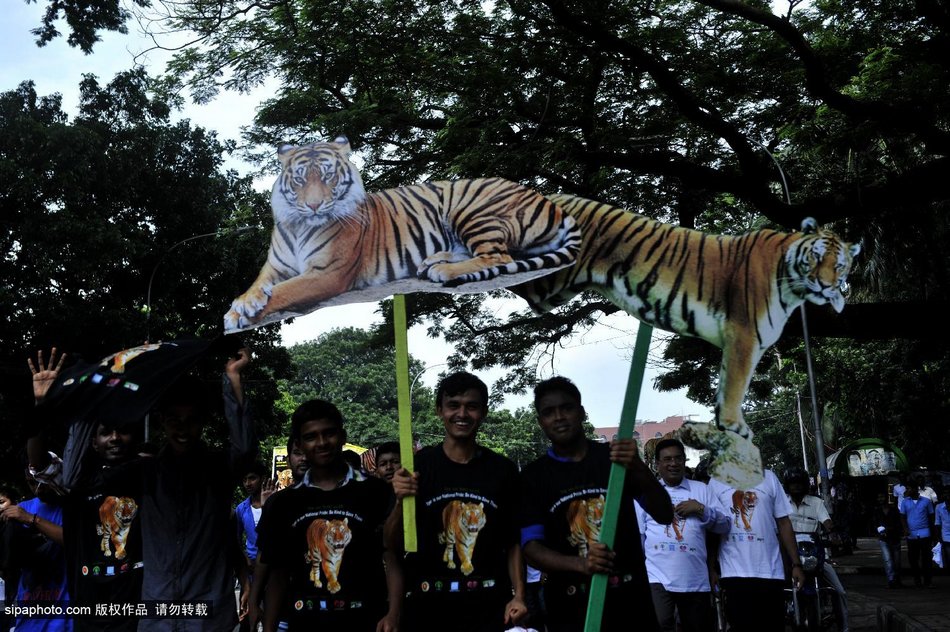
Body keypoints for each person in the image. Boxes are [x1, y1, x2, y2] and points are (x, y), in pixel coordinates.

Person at [103, 347, 255, 631]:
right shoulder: (144, 474)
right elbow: (76, 480)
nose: (182, 429)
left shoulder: (217, 470)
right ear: (162, 421)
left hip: (208, 616)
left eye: (192, 420)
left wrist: (232, 378)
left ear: (203, 422)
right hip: (157, 615)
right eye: (174, 419)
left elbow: (245, 450)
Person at [519, 376, 673, 632]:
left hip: (630, 602)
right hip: (570, 608)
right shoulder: (533, 477)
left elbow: (665, 514)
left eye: (566, 408)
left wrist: (638, 468)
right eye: (548, 412)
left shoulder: (614, 459)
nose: (558, 417)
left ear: (581, 412)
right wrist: (581, 564)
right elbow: (531, 548)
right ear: (540, 422)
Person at [387, 371, 527, 632]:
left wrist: (518, 595)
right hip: (428, 609)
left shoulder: (503, 470)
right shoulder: (416, 468)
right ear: (439, 410)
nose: (462, 414)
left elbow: (513, 542)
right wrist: (399, 502)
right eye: (453, 406)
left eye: (471, 407)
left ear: (483, 412)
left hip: (489, 608)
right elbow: (390, 545)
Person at [255, 399, 400, 631]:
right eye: (311, 436)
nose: (322, 443)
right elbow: (278, 573)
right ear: (300, 445)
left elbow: (391, 556)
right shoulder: (284, 502)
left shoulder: (376, 491)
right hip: (305, 622)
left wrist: (393, 613)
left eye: (329, 433)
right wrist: (269, 626)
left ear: (342, 436)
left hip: (367, 621)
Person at [27, 348, 145, 632]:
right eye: (106, 432)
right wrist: (41, 404)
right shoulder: (77, 484)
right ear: (94, 442)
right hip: (89, 615)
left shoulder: (149, 477)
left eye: (123, 431)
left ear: (135, 437)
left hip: (139, 615)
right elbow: (39, 463)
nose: (115, 438)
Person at [637, 438, 729, 632]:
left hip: (696, 580)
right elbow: (639, 535)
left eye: (678, 458)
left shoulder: (701, 490)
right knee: (660, 624)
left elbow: (725, 525)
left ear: (685, 461)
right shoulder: (646, 493)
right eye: (667, 459)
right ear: (657, 464)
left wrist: (701, 509)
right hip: (657, 578)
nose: (673, 463)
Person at [707, 468, 805, 632]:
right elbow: (711, 530)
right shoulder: (716, 481)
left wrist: (796, 564)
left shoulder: (770, 477)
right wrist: (710, 569)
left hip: (770, 572)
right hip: (734, 574)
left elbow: (784, 523)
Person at [0, 465, 71, 632]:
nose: (38, 488)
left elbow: (76, 543)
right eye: (32, 483)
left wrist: (31, 519)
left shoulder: (70, 507)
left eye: (41, 481)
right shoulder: (20, 508)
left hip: (63, 617)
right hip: (28, 615)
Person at [783, 467, 849, 632]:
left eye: (799, 483)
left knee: (839, 590)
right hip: (788, 556)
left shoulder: (816, 502)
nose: (796, 487)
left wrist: (833, 534)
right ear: (787, 485)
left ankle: (845, 627)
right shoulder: (781, 503)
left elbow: (826, 521)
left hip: (814, 556)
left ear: (805, 484)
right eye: (793, 484)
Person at [900, 480, 935, 588]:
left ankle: (927, 581)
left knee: (927, 559)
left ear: (915, 489)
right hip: (911, 535)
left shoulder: (926, 501)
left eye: (909, 488)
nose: (907, 490)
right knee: (913, 559)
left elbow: (931, 517)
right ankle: (917, 579)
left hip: (925, 533)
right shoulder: (904, 502)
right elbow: (902, 517)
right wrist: (905, 529)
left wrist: (933, 534)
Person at [872, 492, 904, 588]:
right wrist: (879, 530)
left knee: (897, 561)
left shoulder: (894, 510)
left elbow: (898, 524)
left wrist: (889, 529)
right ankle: (891, 580)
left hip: (895, 538)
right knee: (888, 560)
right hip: (883, 539)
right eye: (879, 497)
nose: (880, 499)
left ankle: (897, 580)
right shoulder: (877, 511)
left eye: (882, 496)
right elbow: (874, 524)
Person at [936, 488, 950, 570]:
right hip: (946, 535)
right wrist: (939, 538)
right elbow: (937, 523)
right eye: (945, 493)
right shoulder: (939, 507)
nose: (947, 495)